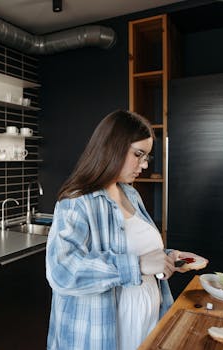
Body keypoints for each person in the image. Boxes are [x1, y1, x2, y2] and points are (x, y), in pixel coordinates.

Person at [45, 109, 207, 350]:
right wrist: (138, 265)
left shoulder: (130, 193)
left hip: (147, 324)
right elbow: (62, 271)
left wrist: (168, 258)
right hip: (103, 336)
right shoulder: (77, 201)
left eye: (147, 157)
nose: (143, 164)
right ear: (112, 147)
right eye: (138, 154)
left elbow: (134, 248)